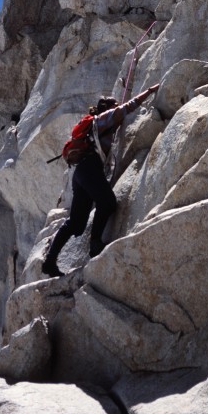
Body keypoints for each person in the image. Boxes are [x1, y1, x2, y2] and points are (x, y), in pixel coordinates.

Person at [42, 83, 160, 277]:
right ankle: (95, 243)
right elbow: (127, 107)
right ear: (108, 108)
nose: (117, 107)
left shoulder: (94, 125)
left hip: (81, 173)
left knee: (76, 223)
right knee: (107, 203)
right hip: (89, 169)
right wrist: (149, 91)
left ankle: (49, 261)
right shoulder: (104, 119)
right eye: (114, 105)